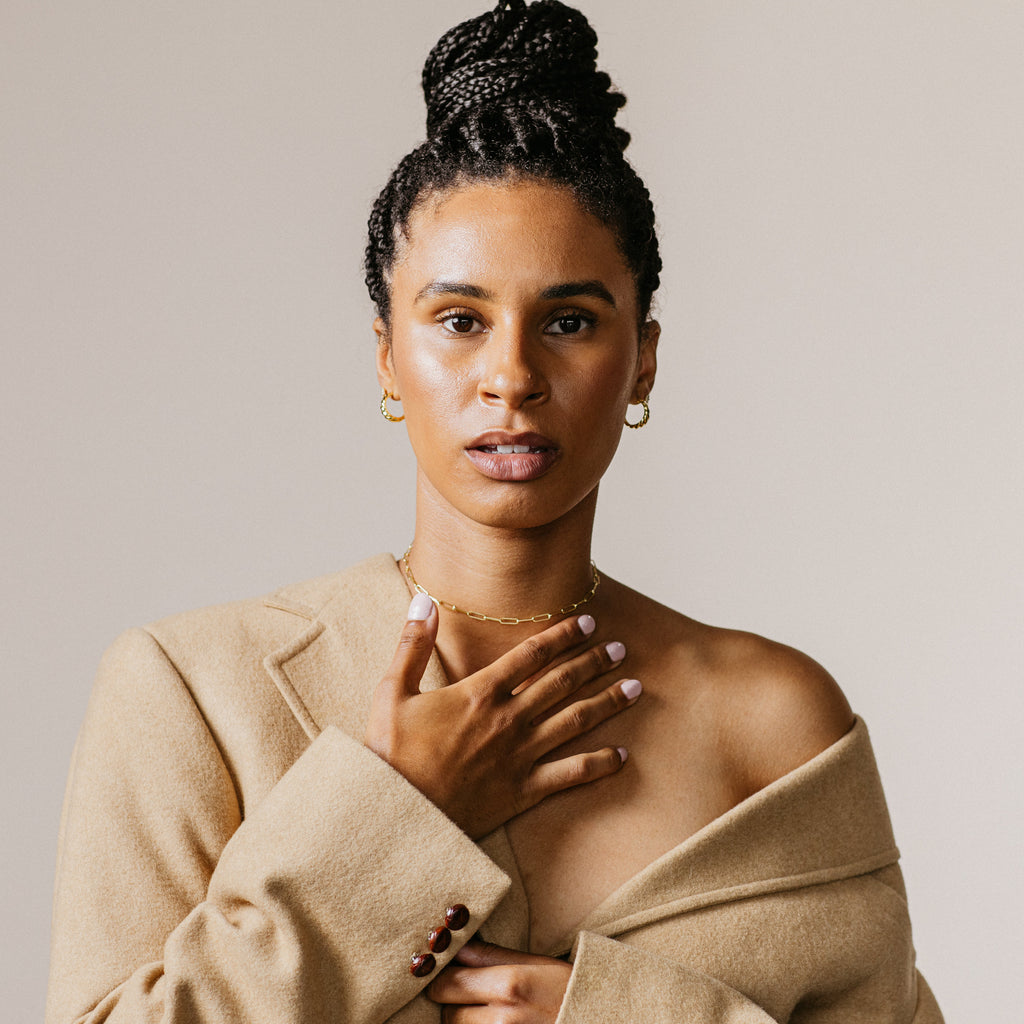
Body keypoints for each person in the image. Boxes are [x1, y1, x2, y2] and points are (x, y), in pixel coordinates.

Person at [45, 1, 943, 1021]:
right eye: (459, 321)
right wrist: (391, 815)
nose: (510, 375)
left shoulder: (775, 721)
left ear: (642, 358)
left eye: (568, 320)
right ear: (388, 355)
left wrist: (614, 1012)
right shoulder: (193, 693)